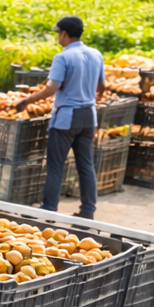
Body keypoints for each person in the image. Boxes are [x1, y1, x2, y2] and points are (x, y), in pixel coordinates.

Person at [16, 16, 104, 219]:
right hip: (89, 116)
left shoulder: (62, 57)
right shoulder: (95, 54)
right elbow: (102, 87)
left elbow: (51, 88)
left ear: (64, 34)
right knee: (86, 164)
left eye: (58, 33)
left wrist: (27, 101)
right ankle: (88, 210)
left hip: (67, 116)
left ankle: (49, 208)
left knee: (56, 164)